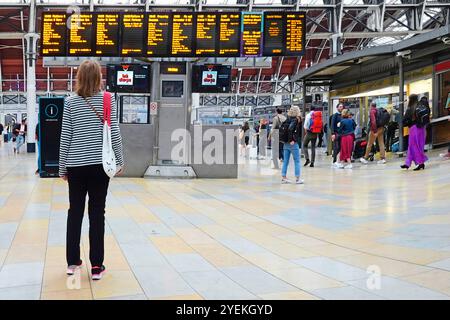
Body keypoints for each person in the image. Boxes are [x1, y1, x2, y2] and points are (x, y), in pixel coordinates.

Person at [59, 59, 124, 281]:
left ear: (79, 77)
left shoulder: (70, 102)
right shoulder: (108, 99)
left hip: (75, 165)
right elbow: (113, 131)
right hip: (99, 166)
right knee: (97, 213)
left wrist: (61, 167)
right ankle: (96, 266)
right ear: (99, 77)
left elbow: (65, 136)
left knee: (74, 212)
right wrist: (119, 160)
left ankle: (72, 263)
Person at [400, 95, 429, 170]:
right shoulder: (419, 106)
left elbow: (405, 120)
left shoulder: (411, 108)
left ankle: (420, 163)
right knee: (414, 146)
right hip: (421, 128)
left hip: (414, 129)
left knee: (414, 146)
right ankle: (407, 163)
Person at [281, 106, 304, 184]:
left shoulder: (287, 119)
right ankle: (297, 179)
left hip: (286, 143)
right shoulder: (296, 120)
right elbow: (291, 129)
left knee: (285, 161)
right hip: (293, 143)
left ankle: (284, 177)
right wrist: (292, 140)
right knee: (297, 161)